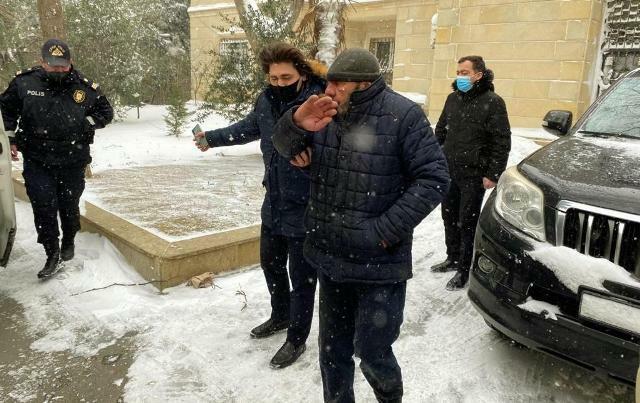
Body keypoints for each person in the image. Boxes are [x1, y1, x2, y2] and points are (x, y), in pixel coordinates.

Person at [273, 48, 449, 403]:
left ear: (364, 84)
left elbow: (434, 179)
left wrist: (382, 232)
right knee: (332, 351)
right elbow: (282, 146)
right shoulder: (323, 112)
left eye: (338, 85)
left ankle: (389, 398)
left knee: (372, 350)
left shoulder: (404, 115)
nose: (329, 91)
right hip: (331, 257)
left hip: (379, 263)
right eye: (329, 83)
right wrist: (295, 125)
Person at [194, 42, 325, 369]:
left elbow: (338, 149)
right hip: (275, 201)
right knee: (271, 264)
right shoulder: (266, 100)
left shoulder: (318, 102)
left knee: (302, 278)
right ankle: (280, 316)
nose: (279, 83)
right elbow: (248, 128)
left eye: (286, 77)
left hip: (308, 205)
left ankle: (296, 339)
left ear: (301, 73)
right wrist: (212, 138)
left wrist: (314, 162)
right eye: (274, 78)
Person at [0, 38, 113, 279]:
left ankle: (69, 240)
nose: (59, 70)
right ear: (43, 62)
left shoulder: (84, 87)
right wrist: (10, 138)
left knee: (69, 205)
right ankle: (51, 253)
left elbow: (106, 112)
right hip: (37, 159)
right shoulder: (24, 83)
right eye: (53, 65)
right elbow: (6, 109)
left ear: (70, 62)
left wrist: (85, 124)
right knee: (43, 206)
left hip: (73, 159)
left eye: (63, 65)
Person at [431, 55, 511, 291]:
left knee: (467, 221)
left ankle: (464, 269)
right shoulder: (452, 99)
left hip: (474, 174)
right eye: (458, 72)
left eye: (465, 73)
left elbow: (501, 141)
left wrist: (493, 174)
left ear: (478, 75)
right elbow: (440, 131)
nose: (460, 77)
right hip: (449, 170)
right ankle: (453, 257)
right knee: (448, 216)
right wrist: (436, 158)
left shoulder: (493, 102)